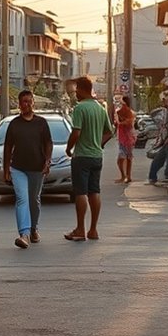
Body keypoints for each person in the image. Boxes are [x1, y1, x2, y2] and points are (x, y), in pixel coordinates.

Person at [63, 76, 113, 242]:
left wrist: (69, 148)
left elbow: (76, 132)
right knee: (94, 191)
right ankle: (93, 230)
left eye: (77, 89)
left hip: (82, 156)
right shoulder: (100, 108)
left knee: (81, 192)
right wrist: (98, 144)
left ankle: (80, 229)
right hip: (97, 156)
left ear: (83, 89)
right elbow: (109, 132)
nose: (75, 93)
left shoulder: (80, 108)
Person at [2, 89, 52, 249]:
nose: (27, 104)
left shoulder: (41, 123)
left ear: (33, 103)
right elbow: (8, 147)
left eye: (30, 101)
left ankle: (34, 229)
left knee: (34, 200)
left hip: (37, 168)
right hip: (18, 168)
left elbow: (48, 143)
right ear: (20, 104)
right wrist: (6, 169)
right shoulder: (14, 124)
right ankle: (24, 234)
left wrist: (47, 162)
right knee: (22, 199)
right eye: (24, 101)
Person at [147, 90, 168, 185]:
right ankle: (156, 177)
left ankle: (167, 177)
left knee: (163, 159)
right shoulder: (167, 110)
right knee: (163, 159)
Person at [114, 95, 136, 184]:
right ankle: (124, 176)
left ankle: (127, 176)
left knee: (126, 158)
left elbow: (129, 123)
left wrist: (120, 122)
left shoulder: (130, 112)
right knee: (123, 158)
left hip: (128, 138)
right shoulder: (119, 112)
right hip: (123, 138)